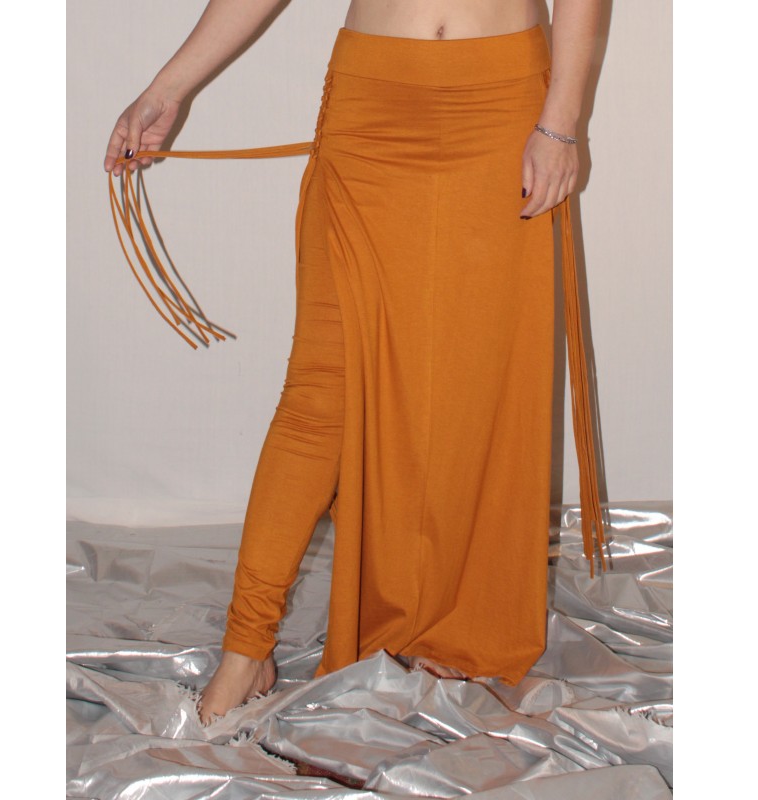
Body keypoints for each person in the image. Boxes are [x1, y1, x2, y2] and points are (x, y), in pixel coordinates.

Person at [104, 0, 603, 726]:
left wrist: (562, 122)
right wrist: (167, 89)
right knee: (320, 394)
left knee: (478, 385)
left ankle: (452, 624)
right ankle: (245, 648)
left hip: (503, 103)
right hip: (373, 101)